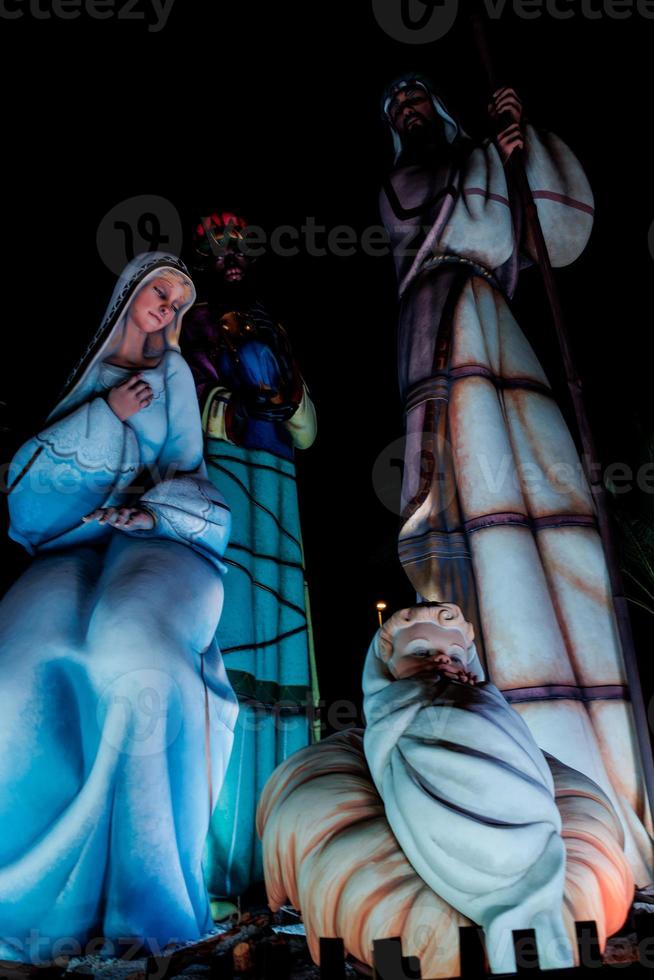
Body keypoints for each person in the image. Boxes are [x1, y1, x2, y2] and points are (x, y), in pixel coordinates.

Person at [380, 75, 654, 884]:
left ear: (441, 108)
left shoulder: (474, 159)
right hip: (438, 321)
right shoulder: (407, 180)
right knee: (468, 498)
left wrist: (521, 144)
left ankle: (605, 769)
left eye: (418, 101)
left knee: (543, 497)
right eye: (395, 111)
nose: (409, 113)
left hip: (498, 322)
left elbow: (551, 239)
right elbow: (462, 214)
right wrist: (496, 163)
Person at [0, 252, 238, 963]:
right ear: (129, 295)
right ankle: (34, 904)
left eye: (177, 301)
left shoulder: (174, 376)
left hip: (159, 538)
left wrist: (153, 515)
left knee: (132, 650)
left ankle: (147, 907)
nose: (167, 308)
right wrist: (108, 414)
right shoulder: (91, 381)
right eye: (158, 293)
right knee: (16, 664)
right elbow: (26, 496)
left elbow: (191, 474)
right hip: (71, 546)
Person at [181, 212, 317, 901]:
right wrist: (231, 409)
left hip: (278, 491)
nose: (230, 256)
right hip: (225, 481)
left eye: (239, 246)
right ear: (201, 259)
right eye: (216, 249)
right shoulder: (194, 323)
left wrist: (281, 400)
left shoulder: (271, 327)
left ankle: (281, 863)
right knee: (231, 657)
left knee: (286, 661)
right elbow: (187, 404)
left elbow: (308, 423)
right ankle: (217, 871)